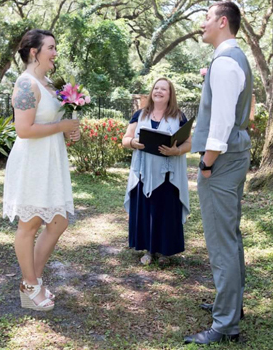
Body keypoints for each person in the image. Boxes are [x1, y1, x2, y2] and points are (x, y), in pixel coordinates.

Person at [184, 2, 252, 345]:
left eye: (207, 17)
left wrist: (207, 164)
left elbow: (222, 123)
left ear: (223, 21)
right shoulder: (230, 60)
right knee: (231, 235)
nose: (202, 24)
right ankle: (232, 306)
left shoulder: (226, 62)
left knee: (221, 242)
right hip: (235, 157)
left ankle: (225, 324)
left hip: (222, 162)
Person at [3, 29, 80, 311]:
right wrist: (61, 127)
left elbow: (50, 125)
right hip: (32, 163)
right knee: (30, 224)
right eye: (51, 47)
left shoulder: (48, 83)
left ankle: (29, 280)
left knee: (58, 222)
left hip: (51, 160)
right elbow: (23, 129)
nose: (55, 53)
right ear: (34, 52)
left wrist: (67, 133)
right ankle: (30, 284)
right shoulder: (26, 84)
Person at [123, 78, 191, 266]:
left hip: (168, 174)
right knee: (146, 211)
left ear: (170, 94)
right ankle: (148, 250)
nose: (159, 91)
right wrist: (133, 143)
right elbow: (125, 139)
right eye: (156, 88)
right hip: (143, 173)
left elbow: (189, 143)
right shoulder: (140, 114)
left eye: (164, 89)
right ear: (152, 91)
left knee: (166, 211)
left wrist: (176, 151)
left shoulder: (178, 117)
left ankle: (165, 252)